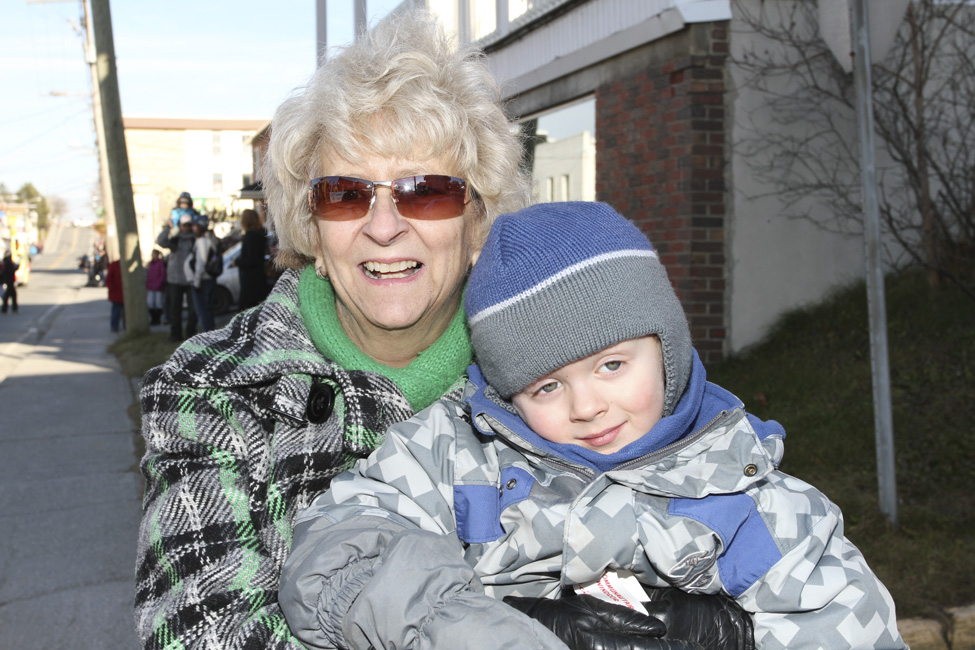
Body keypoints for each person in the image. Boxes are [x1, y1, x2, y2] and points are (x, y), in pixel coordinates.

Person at [278, 202, 907, 650]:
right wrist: (482, 628)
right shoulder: (454, 461)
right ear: (504, 393)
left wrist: (738, 636)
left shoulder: (750, 502)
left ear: (669, 347)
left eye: (611, 365)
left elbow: (847, 625)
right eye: (546, 386)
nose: (586, 406)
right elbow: (334, 554)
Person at [133, 11, 534, 650]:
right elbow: (203, 633)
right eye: (346, 195)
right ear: (312, 229)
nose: (383, 226)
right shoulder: (210, 389)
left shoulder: (553, 374)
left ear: (477, 222)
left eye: (425, 192)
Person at [155, 212, 197, 342]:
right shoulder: (175, 238)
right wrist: (168, 227)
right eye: (184, 225)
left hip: (190, 279)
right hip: (175, 279)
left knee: (192, 309)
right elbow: (160, 241)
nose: (186, 228)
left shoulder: (194, 239)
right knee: (175, 309)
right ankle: (175, 334)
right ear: (180, 225)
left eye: (188, 225)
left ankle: (191, 334)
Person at [183, 213, 218, 332]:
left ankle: (208, 334)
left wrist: (196, 282)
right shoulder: (207, 239)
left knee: (203, 311)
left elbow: (201, 263)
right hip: (205, 280)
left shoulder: (202, 241)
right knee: (205, 310)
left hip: (203, 280)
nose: (193, 228)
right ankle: (210, 332)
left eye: (195, 226)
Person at [235, 207, 271, 310]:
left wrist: (237, 261)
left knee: (244, 309)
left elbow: (251, 259)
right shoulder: (260, 235)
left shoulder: (250, 236)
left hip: (250, 280)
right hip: (259, 278)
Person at [145, 249, 166, 326]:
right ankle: (153, 318)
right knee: (150, 303)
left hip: (158, 286)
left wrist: (159, 283)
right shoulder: (150, 263)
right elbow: (149, 274)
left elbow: (162, 274)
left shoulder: (160, 263)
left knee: (158, 303)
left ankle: (158, 319)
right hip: (151, 286)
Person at [106, 258, 124, 333]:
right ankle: (114, 326)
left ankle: (125, 326)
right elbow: (108, 279)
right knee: (116, 311)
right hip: (116, 294)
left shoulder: (122, 265)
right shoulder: (114, 265)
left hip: (123, 294)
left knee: (124, 313)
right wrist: (113, 289)